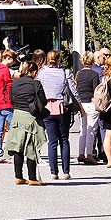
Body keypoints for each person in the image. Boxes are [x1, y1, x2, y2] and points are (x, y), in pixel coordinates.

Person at [4, 54, 48, 185]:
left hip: (17, 115)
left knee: (18, 146)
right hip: (30, 117)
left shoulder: (15, 83)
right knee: (31, 147)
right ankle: (32, 178)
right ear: (34, 71)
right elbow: (43, 101)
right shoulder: (36, 84)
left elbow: (11, 100)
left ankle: (18, 176)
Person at [36, 49, 78, 179]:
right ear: (59, 59)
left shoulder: (42, 73)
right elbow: (73, 90)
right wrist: (80, 106)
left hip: (48, 108)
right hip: (62, 108)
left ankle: (54, 172)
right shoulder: (65, 72)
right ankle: (66, 171)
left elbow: (37, 88)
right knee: (64, 140)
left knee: (52, 141)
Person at [75, 51, 100, 164]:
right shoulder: (94, 74)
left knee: (83, 128)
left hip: (82, 103)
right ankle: (89, 154)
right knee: (91, 129)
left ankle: (81, 153)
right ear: (92, 61)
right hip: (90, 103)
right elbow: (96, 90)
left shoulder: (79, 74)